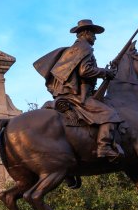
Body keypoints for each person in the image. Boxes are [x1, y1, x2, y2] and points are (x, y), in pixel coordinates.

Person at [33, 19, 124, 160]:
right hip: (78, 96)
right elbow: (84, 71)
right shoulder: (84, 47)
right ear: (86, 33)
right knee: (110, 113)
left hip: (69, 93)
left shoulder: (73, 49)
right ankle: (104, 147)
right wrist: (105, 73)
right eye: (93, 34)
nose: (95, 37)